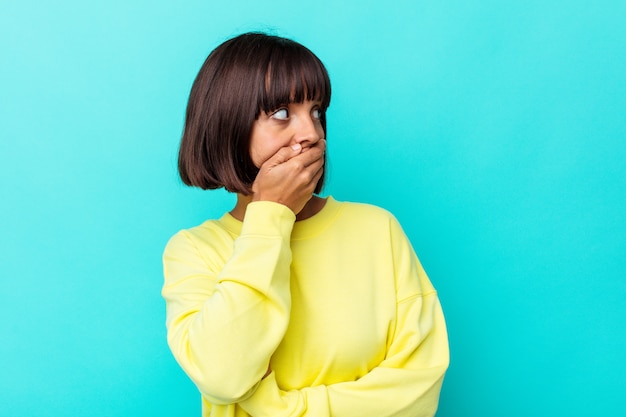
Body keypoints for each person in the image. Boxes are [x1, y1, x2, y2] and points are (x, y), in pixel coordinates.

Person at [162, 32, 449, 417]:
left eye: (317, 112)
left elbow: (419, 386)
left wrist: (277, 408)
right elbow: (223, 377)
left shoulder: (379, 231)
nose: (312, 134)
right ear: (226, 122)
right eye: (281, 114)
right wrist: (270, 217)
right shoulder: (194, 251)